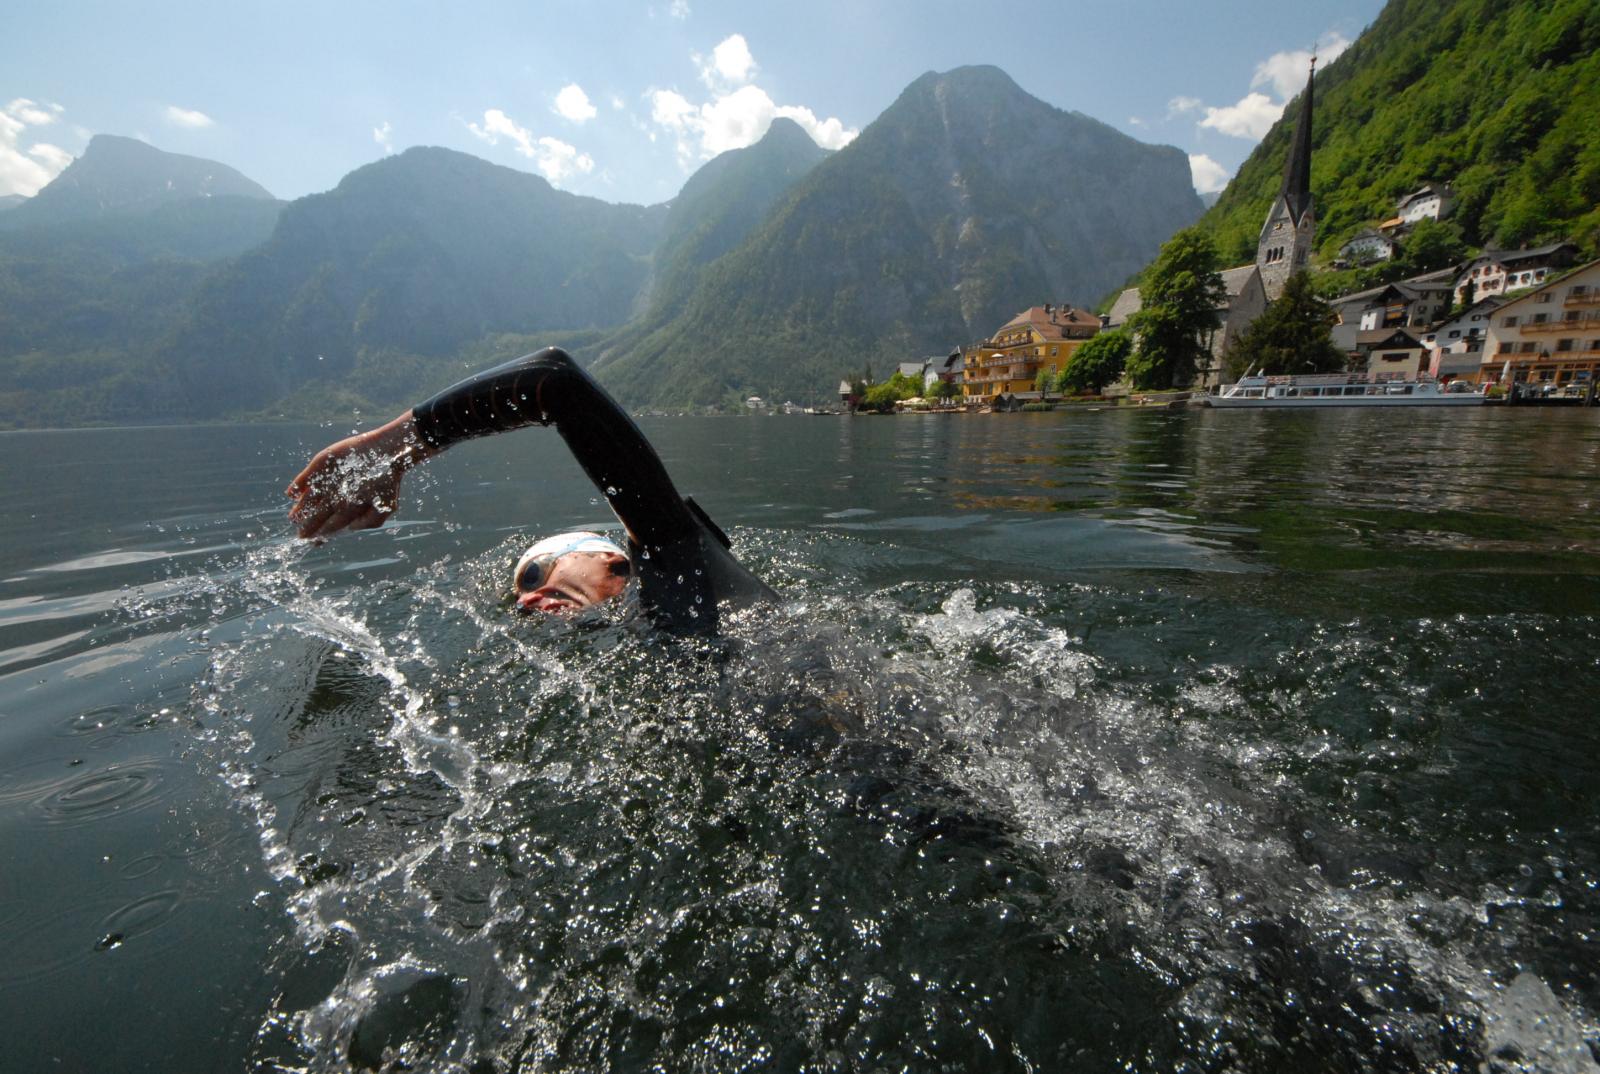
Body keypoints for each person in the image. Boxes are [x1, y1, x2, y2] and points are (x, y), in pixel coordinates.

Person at [287, 347, 774, 633]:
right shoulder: (641, 647)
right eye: (525, 585)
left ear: (614, 561)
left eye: (537, 571)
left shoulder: (691, 575)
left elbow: (556, 381)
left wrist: (394, 450)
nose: (528, 598)